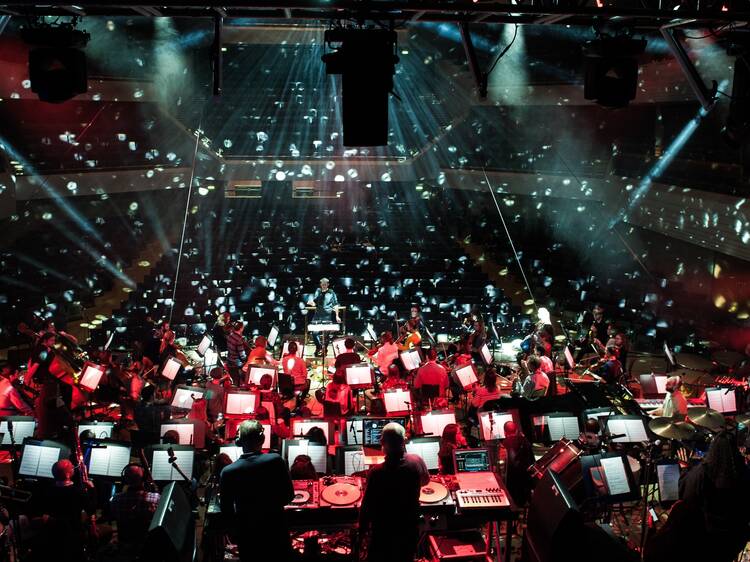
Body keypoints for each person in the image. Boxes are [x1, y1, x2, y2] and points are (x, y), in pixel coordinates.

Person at [220, 420, 294, 561]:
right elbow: (288, 497)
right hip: (277, 532)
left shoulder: (227, 472)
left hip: (248, 538)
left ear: (239, 441)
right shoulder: (276, 461)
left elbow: (227, 512)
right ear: (262, 439)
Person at [359, 423, 430, 562]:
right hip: (408, 532)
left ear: (382, 442)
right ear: (403, 441)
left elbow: (366, 507)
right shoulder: (416, 462)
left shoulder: (376, 472)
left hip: (382, 535)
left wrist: (362, 532)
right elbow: (425, 481)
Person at [676, 431, 750, 562]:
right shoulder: (745, 472)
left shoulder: (700, 473)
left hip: (707, 538)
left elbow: (685, 499)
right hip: (737, 538)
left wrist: (685, 469)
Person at [36, 459, 96, 562]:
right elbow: (92, 509)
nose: (74, 468)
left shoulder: (47, 491)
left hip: (52, 535)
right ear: (68, 474)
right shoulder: (78, 492)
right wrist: (92, 489)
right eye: (72, 467)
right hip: (73, 535)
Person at [110, 464, 160, 551]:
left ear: (125, 479)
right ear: (144, 478)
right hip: (146, 548)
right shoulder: (156, 498)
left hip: (124, 546)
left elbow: (112, 518)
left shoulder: (116, 499)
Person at [499, 421, 534, 506]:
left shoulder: (503, 445)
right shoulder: (525, 442)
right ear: (516, 431)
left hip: (510, 489)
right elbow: (532, 462)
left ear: (504, 432)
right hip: (525, 487)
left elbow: (501, 467)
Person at [307, 278, 341, 356]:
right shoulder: (318, 291)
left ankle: (324, 349)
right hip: (317, 315)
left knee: (326, 334)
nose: (324, 286)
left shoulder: (331, 293)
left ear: (328, 284)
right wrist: (311, 303)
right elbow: (314, 303)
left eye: (325, 284)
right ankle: (319, 347)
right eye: (322, 284)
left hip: (327, 316)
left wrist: (337, 316)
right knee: (314, 332)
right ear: (320, 284)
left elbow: (335, 304)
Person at [226, 321, 249, 386]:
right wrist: (248, 359)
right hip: (236, 361)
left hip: (229, 359)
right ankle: (244, 382)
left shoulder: (230, 334)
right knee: (250, 363)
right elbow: (242, 356)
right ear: (241, 328)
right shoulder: (239, 340)